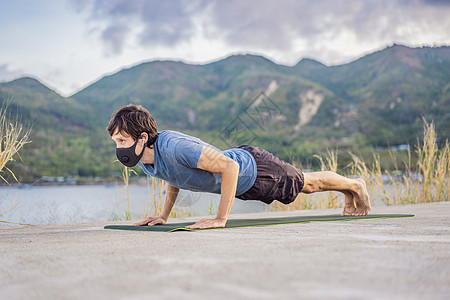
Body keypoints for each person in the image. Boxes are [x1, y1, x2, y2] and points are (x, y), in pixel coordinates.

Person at [107, 104, 371, 229]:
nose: (119, 148)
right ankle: (349, 193)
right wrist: (163, 215)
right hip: (245, 183)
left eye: (122, 140)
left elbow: (230, 167)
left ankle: (355, 185)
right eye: (115, 142)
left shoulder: (175, 146)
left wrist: (220, 219)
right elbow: (172, 175)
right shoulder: (146, 160)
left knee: (308, 184)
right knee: (307, 184)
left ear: (142, 138)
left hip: (254, 170)